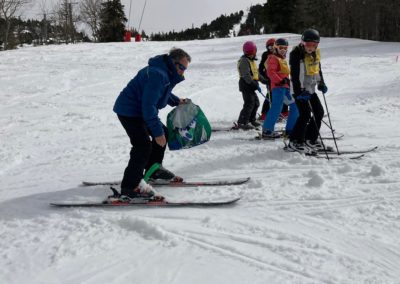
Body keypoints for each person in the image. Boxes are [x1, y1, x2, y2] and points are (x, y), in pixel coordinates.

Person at [113, 48, 192, 200]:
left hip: (139, 111)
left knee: (164, 132)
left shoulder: (164, 72)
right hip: (129, 111)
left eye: (185, 69)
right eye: (181, 67)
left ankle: (153, 169)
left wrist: (176, 101)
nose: (182, 72)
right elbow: (148, 106)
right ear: (172, 62)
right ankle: (131, 186)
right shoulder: (158, 74)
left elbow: (162, 92)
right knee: (142, 145)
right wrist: (156, 133)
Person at [287, 29, 328, 153]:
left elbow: (317, 70)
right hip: (299, 90)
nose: (311, 48)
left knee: (319, 112)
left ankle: (310, 138)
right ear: (302, 43)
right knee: (305, 115)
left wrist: (321, 83)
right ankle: (295, 141)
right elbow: (295, 76)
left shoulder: (315, 54)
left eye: (314, 45)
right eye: (308, 45)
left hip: (310, 89)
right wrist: (299, 92)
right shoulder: (296, 54)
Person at [261, 38, 299, 139]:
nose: (283, 50)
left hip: (285, 88)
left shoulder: (282, 60)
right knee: (276, 108)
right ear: (276, 48)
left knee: (295, 106)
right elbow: (270, 72)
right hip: (277, 88)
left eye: (285, 48)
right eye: (281, 48)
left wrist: (289, 83)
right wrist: (280, 80)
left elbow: (285, 75)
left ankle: (290, 130)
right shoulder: (273, 58)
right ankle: (267, 130)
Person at [237, 41, 266, 130]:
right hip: (246, 85)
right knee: (249, 103)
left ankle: (251, 119)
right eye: (250, 53)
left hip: (251, 85)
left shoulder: (251, 61)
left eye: (252, 52)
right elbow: (246, 75)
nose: (252, 54)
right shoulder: (244, 61)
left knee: (256, 103)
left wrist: (265, 81)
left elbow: (256, 73)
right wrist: (253, 84)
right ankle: (242, 122)